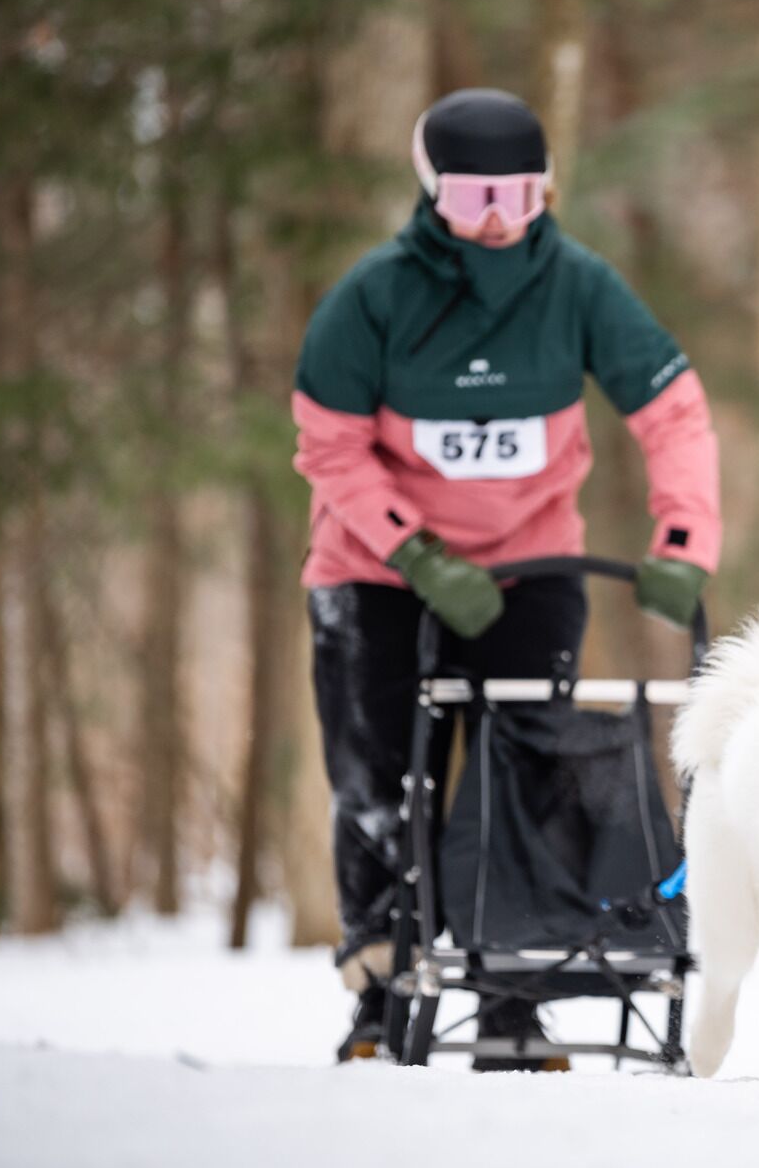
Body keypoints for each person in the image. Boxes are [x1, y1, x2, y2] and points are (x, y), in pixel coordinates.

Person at [291, 88, 721, 1066]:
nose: (496, 219)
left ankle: (510, 996)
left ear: (546, 190)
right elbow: (328, 445)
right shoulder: (372, 297)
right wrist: (415, 551)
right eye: (475, 196)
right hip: (377, 572)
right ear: (432, 188)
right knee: (383, 777)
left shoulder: (580, 287)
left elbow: (673, 412)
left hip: (530, 567)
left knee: (528, 770)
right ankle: (383, 989)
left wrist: (683, 541)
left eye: (519, 196)